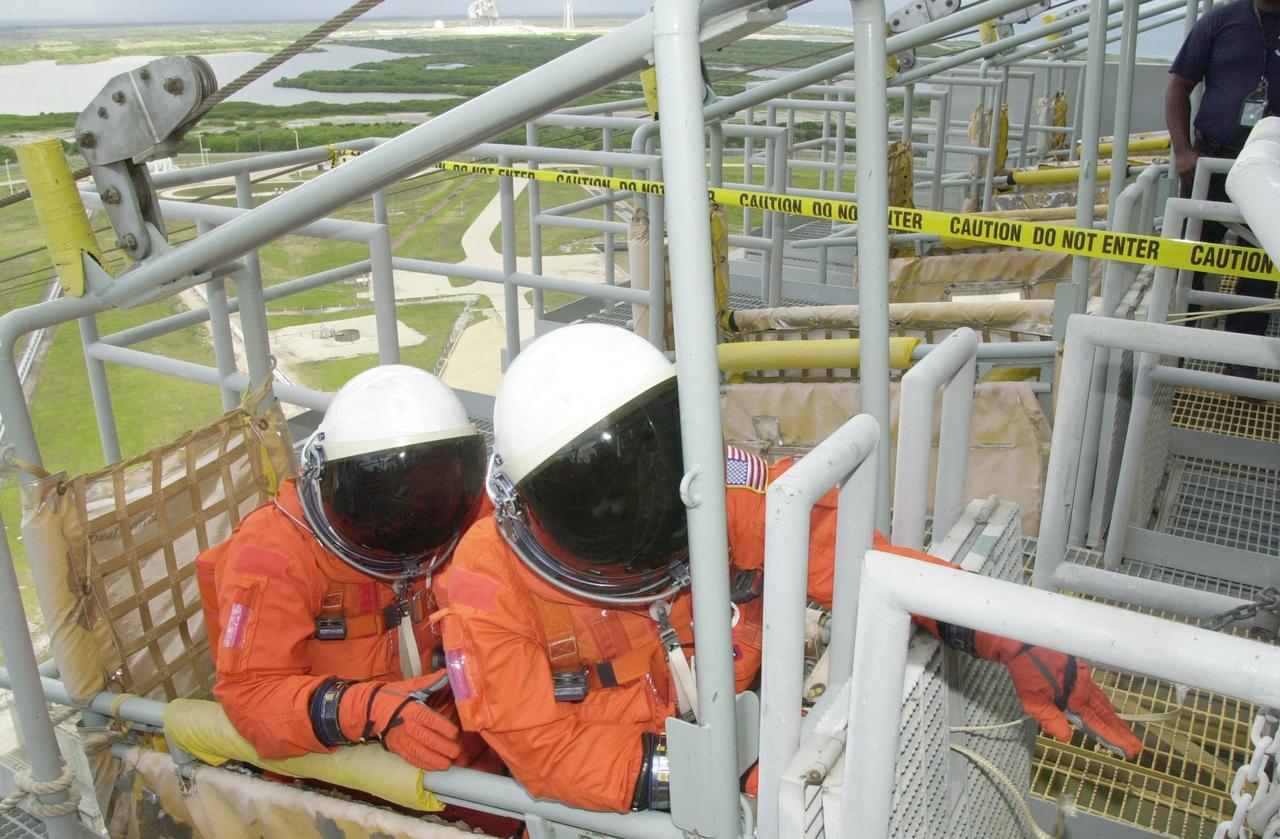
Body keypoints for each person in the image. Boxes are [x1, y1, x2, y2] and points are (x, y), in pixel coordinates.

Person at [433, 324, 1142, 814]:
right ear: (528, 501)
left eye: (654, 469)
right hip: (617, 797)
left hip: (739, 730)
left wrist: (999, 630)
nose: (638, 508)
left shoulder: (702, 497)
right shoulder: (484, 586)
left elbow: (847, 553)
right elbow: (548, 753)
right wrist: (721, 775)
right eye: (602, 500)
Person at [196, 365, 489, 772]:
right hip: (344, 760)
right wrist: (364, 711)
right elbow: (250, 695)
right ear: (327, 475)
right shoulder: (273, 553)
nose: (408, 515)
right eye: (385, 499)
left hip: (454, 714)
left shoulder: (463, 513)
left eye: (429, 489)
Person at [1167, 0, 1280, 377]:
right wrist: (1183, 151)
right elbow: (1179, 87)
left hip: (1270, 172)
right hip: (1210, 165)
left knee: (1260, 271)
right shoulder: (1219, 21)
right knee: (1191, 262)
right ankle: (1174, 358)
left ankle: (1242, 370)